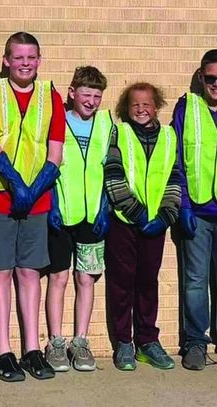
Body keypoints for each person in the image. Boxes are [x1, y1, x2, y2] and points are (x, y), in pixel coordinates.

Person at [0, 31, 64, 382]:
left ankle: (31, 349)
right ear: (6, 60)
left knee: (29, 274)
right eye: (19, 57)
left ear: (39, 61)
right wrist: (15, 183)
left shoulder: (50, 96)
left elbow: (55, 152)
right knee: (0, 273)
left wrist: (34, 188)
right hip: (0, 195)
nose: (25, 64)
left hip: (37, 200)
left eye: (31, 57)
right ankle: (3, 350)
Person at [104, 82, 180, 371]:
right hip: (125, 221)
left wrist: (164, 216)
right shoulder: (119, 133)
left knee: (148, 282)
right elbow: (113, 174)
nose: (141, 109)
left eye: (146, 104)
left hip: (156, 225)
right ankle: (124, 342)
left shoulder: (169, 136)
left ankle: (147, 342)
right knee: (122, 282)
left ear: (156, 106)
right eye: (135, 104)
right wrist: (136, 212)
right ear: (127, 107)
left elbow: (174, 177)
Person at [44, 66, 113, 372]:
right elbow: (50, 164)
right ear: (72, 93)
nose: (92, 101)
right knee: (58, 278)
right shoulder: (57, 120)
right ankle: (56, 342)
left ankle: (80, 341)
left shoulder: (106, 123)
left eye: (97, 96)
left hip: (92, 217)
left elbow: (110, 166)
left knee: (86, 279)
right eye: (86, 94)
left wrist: (104, 205)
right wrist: (52, 203)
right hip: (62, 215)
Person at [172, 49, 217, 370]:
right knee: (195, 281)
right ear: (201, 77)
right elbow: (175, 157)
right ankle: (195, 342)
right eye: (211, 78)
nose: (216, 84)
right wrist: (183, 204)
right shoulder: (188, 107)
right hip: (198, 212)